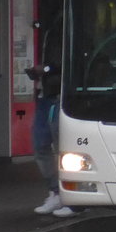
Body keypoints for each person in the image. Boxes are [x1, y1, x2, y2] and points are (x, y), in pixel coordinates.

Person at [28, 64, 78, 219]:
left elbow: (69, 61)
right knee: (41, 145)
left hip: (59, 97)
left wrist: (48, 69)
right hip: (45, 96)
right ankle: (56, 192)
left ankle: (71, 198)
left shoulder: (59, 42)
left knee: (62, 148)